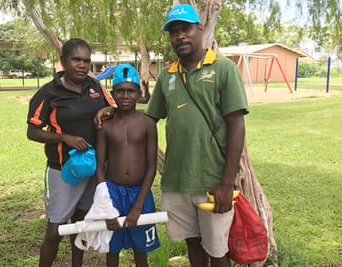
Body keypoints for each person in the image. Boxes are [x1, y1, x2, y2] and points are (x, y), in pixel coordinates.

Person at [95, 4, 249, 267]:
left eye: (186, 29)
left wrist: (227, 182)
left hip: (213, 181)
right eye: (174, 32)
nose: (180, 36)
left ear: (200, 30)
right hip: (177, 180)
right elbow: (148, 116)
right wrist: (116, 109)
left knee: (217, 250)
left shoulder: (224, 69)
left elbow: (237, 126)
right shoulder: (168, 76)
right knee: (193, 244)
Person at [26, 38, 115, 267]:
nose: (82, 65)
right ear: (63, 61)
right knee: (55, 230)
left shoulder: (95, 87)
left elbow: (113, 109)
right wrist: (64, 138)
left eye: (86, 60)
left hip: (93, 167)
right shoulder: (49, 92)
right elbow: (32, 131)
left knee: (81, 223)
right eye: (76, 59)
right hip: (63, 169)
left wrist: (106, 110)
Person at [95, 64, 160, 267]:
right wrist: (107, 207)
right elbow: (99, 168)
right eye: (120, 91)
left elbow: (151, 167)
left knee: (141, 249)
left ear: (139, 93)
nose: (125, 96)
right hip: (112, 192)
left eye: (130, 91)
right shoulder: (105, 124)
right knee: (112, 248)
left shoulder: (147, 123)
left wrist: (138, 206)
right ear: (112, 93)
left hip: (140, 193)